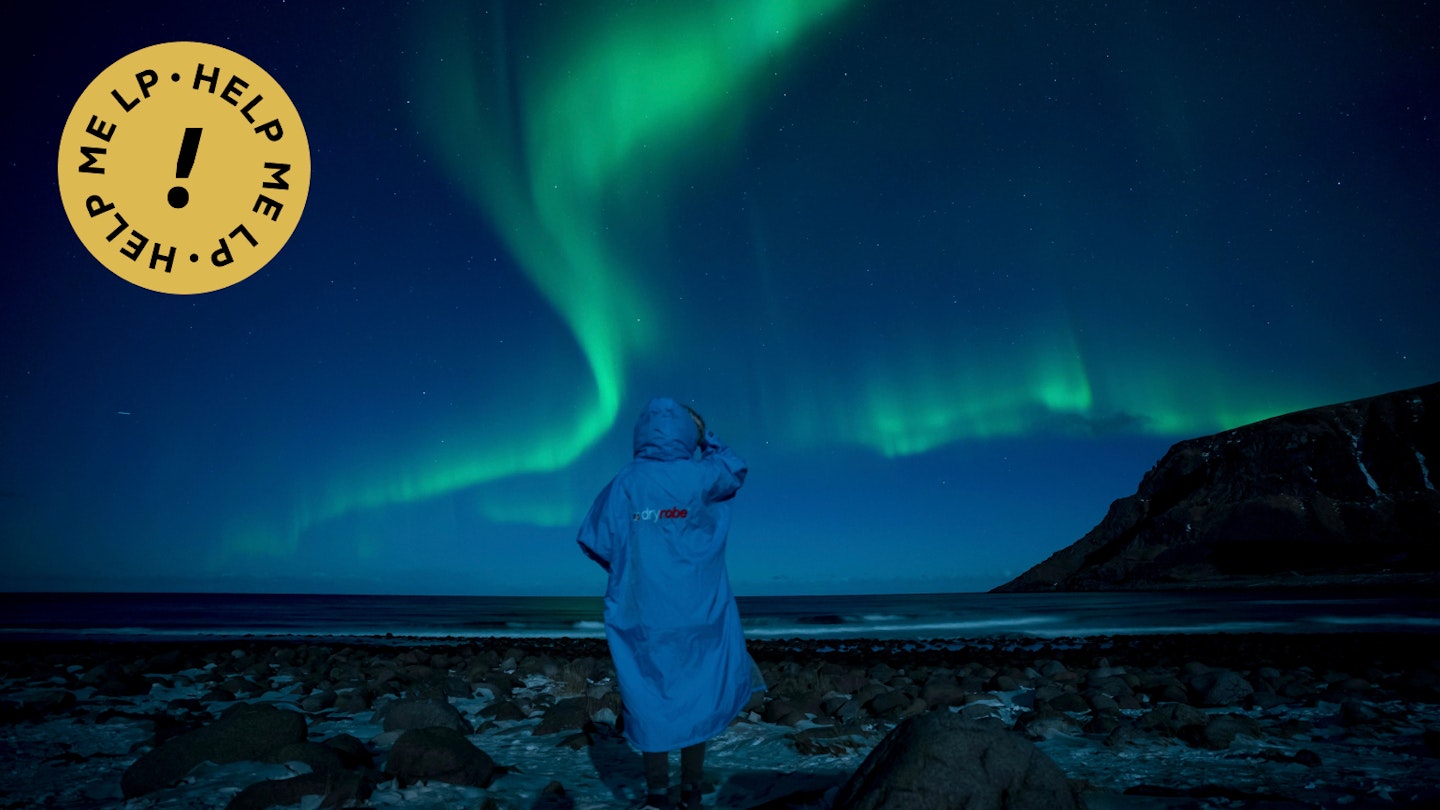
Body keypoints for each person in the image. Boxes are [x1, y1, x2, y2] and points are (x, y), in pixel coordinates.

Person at [577, 397, 764, 810]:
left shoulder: (625, 481)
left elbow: (595, 539)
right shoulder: (699, 476)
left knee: (651, 701)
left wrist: (637, 556)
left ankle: (658, 795)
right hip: (698, 613)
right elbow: (736, 468)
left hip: (641, 614)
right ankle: (691, 793)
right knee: (695, 699)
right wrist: (706, 439)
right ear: (687, 434)